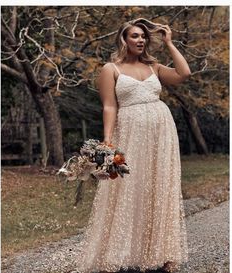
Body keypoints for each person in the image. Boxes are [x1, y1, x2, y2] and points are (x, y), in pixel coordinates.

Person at [75, 18, 191, 273]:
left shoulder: (154, 67)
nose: (140, 40)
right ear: (124, 40)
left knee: (160, 185)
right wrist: (107, 141)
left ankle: (163, 253)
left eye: (143, 37)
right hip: (129, 131)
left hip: (161, 131)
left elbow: (184, 74)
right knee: (128, 188)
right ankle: (118, 253)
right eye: (135, 36)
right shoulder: (110, 69)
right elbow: (108, 105)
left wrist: (170, 43)